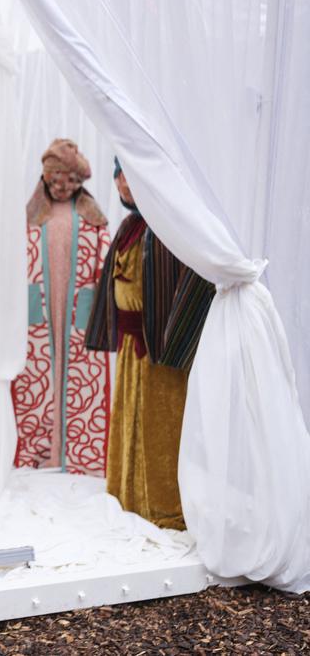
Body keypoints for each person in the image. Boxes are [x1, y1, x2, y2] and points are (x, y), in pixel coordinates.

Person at [85, 158, 215, 529]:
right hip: (131, 346)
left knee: (162, 425)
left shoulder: (170, 227)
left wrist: (173, 336)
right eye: (119, 176)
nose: (124, 184)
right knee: (128, 416)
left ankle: (164, 504)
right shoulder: (130, 226)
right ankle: (128, 494)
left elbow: (193, 282)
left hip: (160, 344)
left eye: (130, 174)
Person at [12, 138, 111, 476]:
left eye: (71, 180)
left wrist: (94, 304)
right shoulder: (28, 216)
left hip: (77, 312)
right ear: (45, 177)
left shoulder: (93, 216)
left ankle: (80, 452)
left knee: (81, 377)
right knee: (36, 377)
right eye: (57, 178)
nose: (63, 186)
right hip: (38, 311)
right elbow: (13, 262)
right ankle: (39, 448)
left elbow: (105, 264)